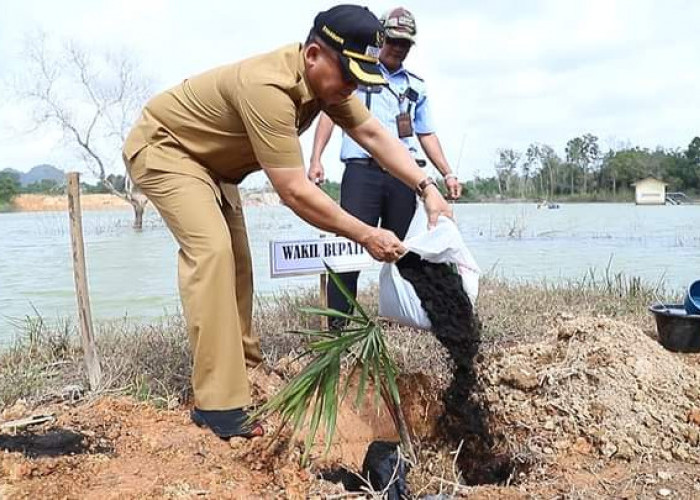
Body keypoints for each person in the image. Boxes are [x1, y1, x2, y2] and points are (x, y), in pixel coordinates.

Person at [122, 4, 452, 440]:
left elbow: (373, 135)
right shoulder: (268, 87)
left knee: (238, 264)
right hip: (167, 150)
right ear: (313, 54)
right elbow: (295, 190)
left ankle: (246, 370)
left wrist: (427, 188)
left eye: (359, 79)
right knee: (212, 253)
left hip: (214, 169)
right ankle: (218, 406)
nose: (352, 87)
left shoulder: (327, 86)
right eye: (348, 75)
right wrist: (366, 233)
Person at [307, 7, 461, 325]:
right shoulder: (358, 71)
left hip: (403, 178)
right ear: (381, 40)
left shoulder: (416, 85)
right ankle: (338, 325)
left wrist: (447, 173)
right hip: (362, 173)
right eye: (393, 41)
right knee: (347, 251)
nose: (398, 48)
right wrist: (316, 158)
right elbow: (330, 113)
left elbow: (426, 132)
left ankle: (405, 316)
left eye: (405, 44)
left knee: (404, 250)